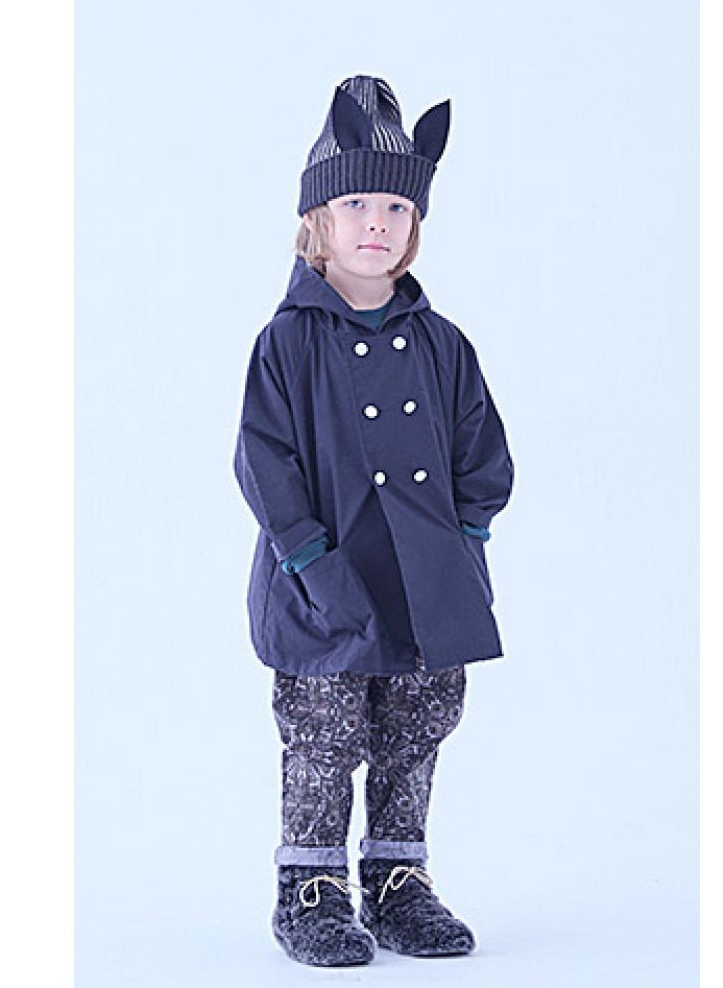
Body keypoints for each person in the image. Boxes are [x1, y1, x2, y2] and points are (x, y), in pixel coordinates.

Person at [233, 74, 515, 967]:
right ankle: (311, 889)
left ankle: (397, 880)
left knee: (415, 730)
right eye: (356, 202)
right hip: (323, 582)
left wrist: (464, 544)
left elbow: (483, 454)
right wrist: (310, 560)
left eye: (397, 205)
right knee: (324, 735)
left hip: (428, 584)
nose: (377, 223)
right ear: (317, 217)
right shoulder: (287, 342)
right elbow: (264, 462)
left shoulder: (443, 343)